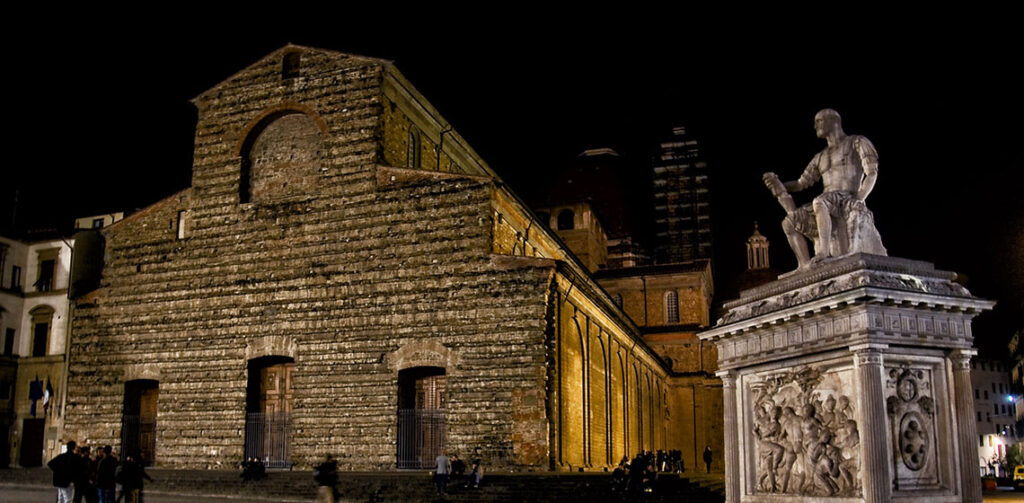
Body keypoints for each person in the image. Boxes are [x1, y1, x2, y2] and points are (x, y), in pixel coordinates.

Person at [763, 108, 886, 268]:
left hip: (846, 196)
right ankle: (805, 265)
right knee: (789, 222)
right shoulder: (820, 157)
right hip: (826, 202)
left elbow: (871, 172)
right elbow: (801, 183)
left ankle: (824, 252)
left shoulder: (856, 142)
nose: (815, 126)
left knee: (819, 201)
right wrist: (779, 185)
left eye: (819, 121)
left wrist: (860, 198)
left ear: (834, 121)